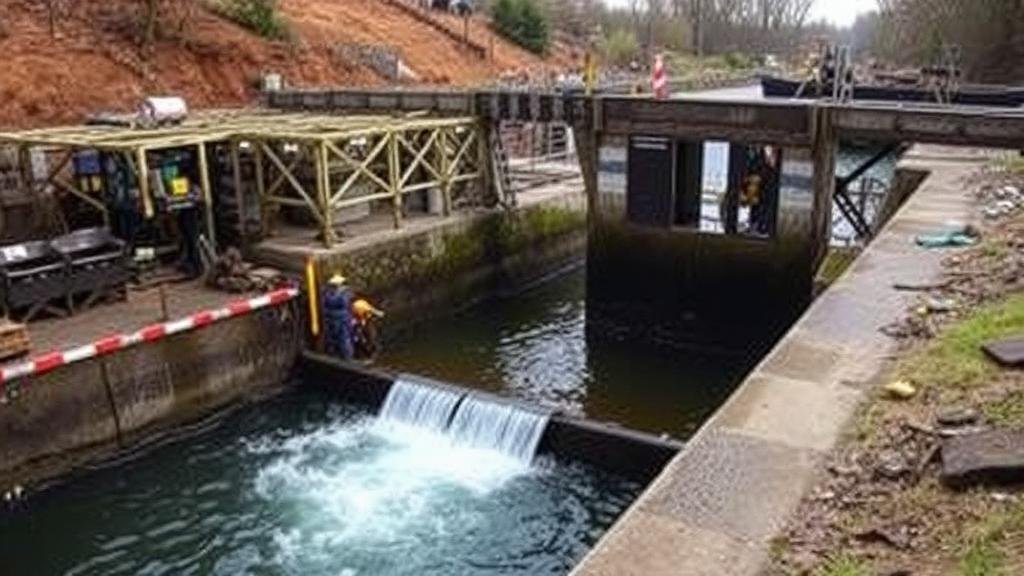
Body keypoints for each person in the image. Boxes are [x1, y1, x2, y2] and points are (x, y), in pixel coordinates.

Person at [322, 274, 355, 360]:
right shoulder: (331, 293)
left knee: (343, 338)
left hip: (341, 318)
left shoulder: (344, 293)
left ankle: (346, 357)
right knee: (334, 338)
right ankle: (337, 356)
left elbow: (340, 303)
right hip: (334, 318)